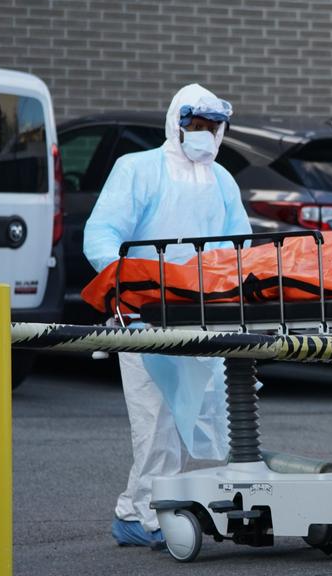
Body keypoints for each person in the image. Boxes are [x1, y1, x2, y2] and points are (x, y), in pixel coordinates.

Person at [84, 84, 249, 548]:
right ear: (176, 124)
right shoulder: (137, 170)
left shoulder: (222, 180)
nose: (204, 135)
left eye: (213, 128)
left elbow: (241, 246)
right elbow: (101, 235)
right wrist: (130, 285)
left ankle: (136, 508)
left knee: (196, 419)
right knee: (155, 421)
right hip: (144, 317)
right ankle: (147, 515)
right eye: (196, 126)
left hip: (203, 316)